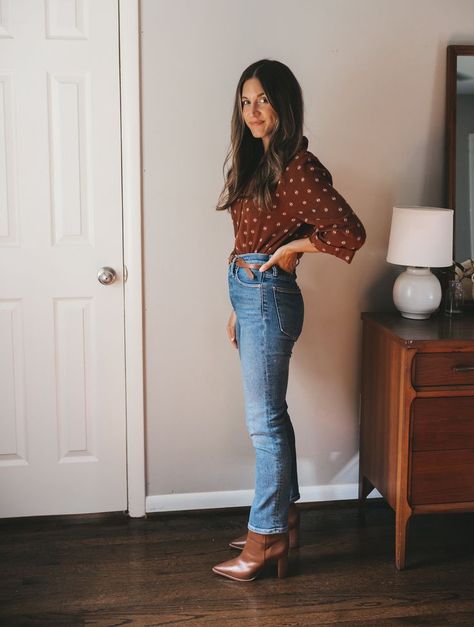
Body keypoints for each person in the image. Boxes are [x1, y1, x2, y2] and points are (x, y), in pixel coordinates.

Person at [212, 59, 366, 582]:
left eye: (263, 100)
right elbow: (248, 241)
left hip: (268, 295)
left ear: (284, 103)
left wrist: (296, 247)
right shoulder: (259, 160)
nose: (253, 112)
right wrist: (238, 304)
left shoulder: (299, 166)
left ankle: (267, 537)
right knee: (272, 417)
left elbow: (349, 231)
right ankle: (285, 518)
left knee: (265, 423)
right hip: (252, 293)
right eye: (245, 101)